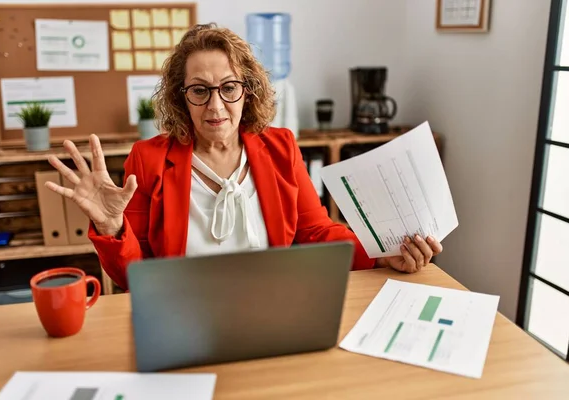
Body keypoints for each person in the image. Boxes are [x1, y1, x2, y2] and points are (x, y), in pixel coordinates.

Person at [45, 23, 443, 290]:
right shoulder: (147, 158)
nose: (216, 106)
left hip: (275, 302)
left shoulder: (280, 147)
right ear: (180, 98)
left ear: (247, 91)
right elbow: (135, 276)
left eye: (228, 87)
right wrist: (113, 228)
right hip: (184, 307)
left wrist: (381, 253)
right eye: (199, 90)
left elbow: (316, 233)